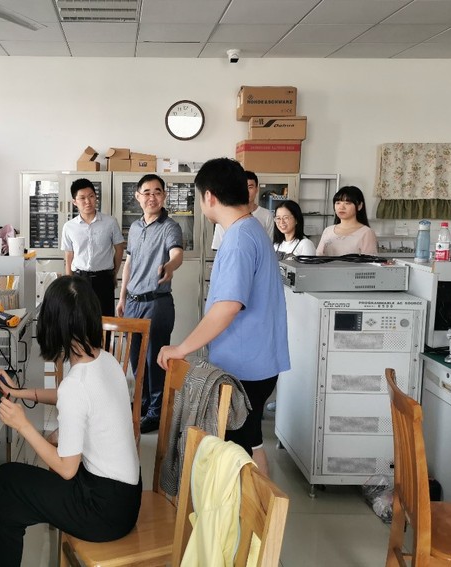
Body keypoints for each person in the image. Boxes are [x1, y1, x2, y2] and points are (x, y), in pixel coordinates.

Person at [0, 276, 141, 567]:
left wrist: (23, 425)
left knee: (7, 481)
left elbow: (67, 469)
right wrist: (22, 392)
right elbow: (76, 399)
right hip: (127, 499)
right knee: (41, 460)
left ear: (54, 326)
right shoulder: (105, 360)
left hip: (103, 512)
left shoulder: (76, 385)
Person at [157, 157, 290, 477]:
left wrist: (181, 348)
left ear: (209, 196)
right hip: (257, 361)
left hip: (246, 366)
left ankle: (253, 507)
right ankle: (260, 507)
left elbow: (227, 306)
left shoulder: (239, 238)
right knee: (252, 442)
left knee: (240, 452)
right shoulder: (250, 229)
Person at [116, 174, 183, 434]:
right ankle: (142, 403)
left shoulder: (170, 227)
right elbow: (129, 263)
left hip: (157, 303)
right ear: (137, 196)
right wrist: (122, 297)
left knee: (155, 361)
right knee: (136, 359)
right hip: (133, 303)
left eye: (157, 192)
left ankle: (156, 412)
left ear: (164, 196)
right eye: (147, 192)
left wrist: (170, 266)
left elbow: (177, 255)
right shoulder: (134, 227)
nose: (152, 197)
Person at [61, 178, 124, 317]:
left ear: (96, 197)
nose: (88, 201)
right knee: (79, 319)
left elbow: (119, 248)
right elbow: (69, 255)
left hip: (104, 279)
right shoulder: (69, 227)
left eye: (91, 196)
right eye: (82, 198)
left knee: (105, 320)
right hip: (79, 279)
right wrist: (69, 282)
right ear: (74, 202)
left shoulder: (110, 222)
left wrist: (114, 273)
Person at [211, 170, 274, 249]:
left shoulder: (266, 215)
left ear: (256, 189)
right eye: (242, 187)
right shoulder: (224, 216)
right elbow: (219, 248)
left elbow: (268, 246)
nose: (246, 191)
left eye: (250, 187)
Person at [316, 185, 378, 256]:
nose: (341, 207)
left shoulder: (366, 233)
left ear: (359, 206)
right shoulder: (328, 231)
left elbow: (369, 261)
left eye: (347, 203)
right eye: (338, 203)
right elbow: (318, 256)